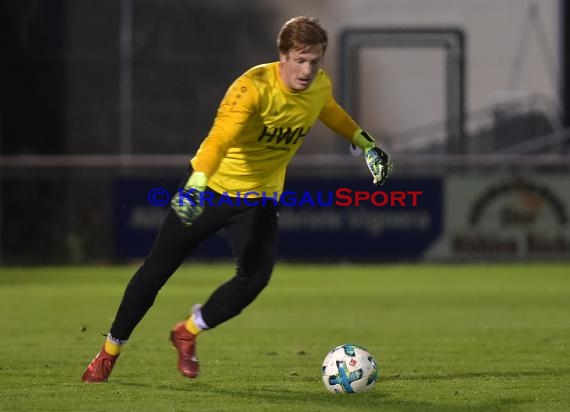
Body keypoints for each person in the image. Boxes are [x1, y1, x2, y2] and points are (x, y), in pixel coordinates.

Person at [81, 15, 393, 383]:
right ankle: (109, 353)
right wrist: (197, 182)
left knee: (254, 279)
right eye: (300, 59)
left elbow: (330, 112)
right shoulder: (252, 88)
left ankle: (187, 331)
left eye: (315, 61)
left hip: (259, 201)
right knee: (156, 271)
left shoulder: (318, 85)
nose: (308, 70)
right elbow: (220, 138)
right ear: (282, 55)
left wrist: (365, 143)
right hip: (211, 191)